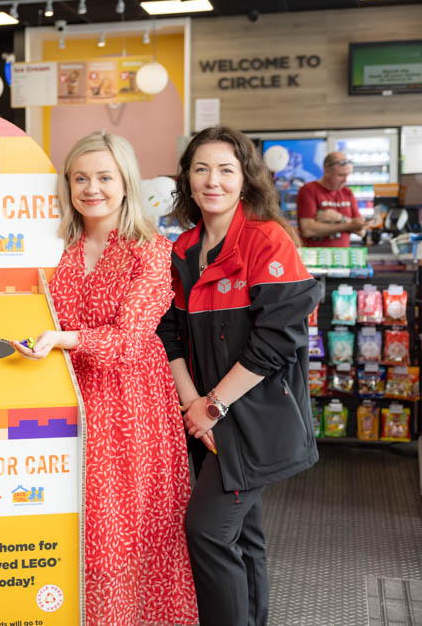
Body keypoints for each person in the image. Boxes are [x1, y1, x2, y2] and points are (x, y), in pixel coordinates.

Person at [12, 131, 198, 626]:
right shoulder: (57, 248)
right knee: (71, 529)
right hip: (63, 400)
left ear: (125, 183)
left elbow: (131, 339)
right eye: (80, 178)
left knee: (124, 534)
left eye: (103, 177)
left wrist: (61, 339)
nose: (91, 188)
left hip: (131, 410)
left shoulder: (151, 250)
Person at [158, 125, 322, 626]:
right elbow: (169, 335)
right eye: (201, 169)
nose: (213, 181)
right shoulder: (182, 249)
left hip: (254, 421)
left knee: (207, 531)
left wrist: (212, 406)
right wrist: (194, 406)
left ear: (246, 179)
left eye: (226, 170)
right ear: (186, 179)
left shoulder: (267, 241)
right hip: (207, 419)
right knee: (242, 535)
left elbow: (276, 340)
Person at [296, 150, 367, 247]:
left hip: (343, 258)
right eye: (341, 175)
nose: (345, 180)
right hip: (315, 259)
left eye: (347, 175)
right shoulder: (308, 190)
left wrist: (340, 218)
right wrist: (350, 225)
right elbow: (308, 230)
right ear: (327, 171)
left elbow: (361, 230)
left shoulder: (347, 192)